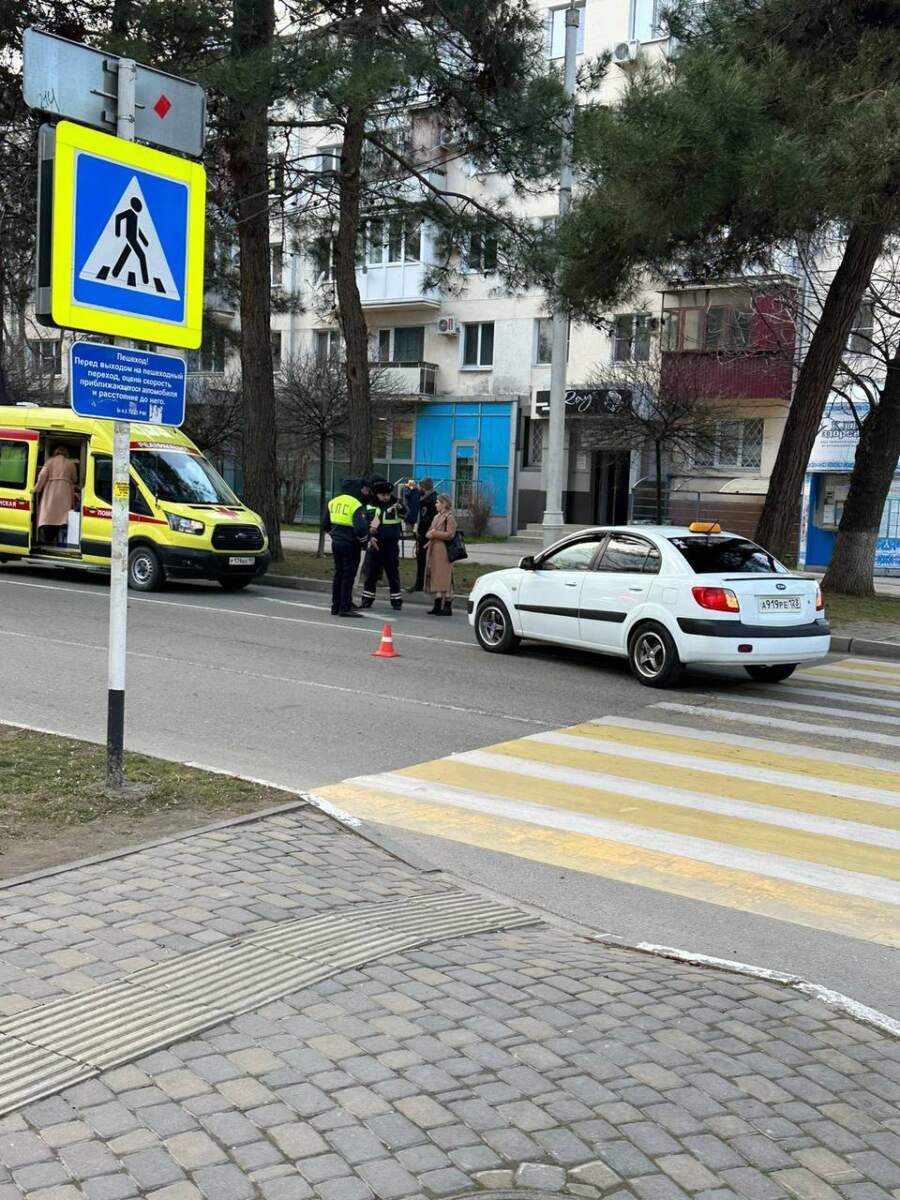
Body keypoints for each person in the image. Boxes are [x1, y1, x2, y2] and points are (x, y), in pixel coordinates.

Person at [322, 478, 369, 617]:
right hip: (351, 544)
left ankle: (335, 606)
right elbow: (360, 528)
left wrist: (334, 535)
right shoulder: (355, 504)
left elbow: (325, 524)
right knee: (348, 576)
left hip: (336, 543)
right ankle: (345, 607)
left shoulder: (333, 502)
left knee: (338, 574)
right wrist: (364, 542)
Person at [361, 480, 404, 610]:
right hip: (375, 544)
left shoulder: (396, 504)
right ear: (376, 494)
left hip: (391, 545)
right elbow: (364, 523)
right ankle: (367, 599)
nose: (386, 497)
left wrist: (402, 508)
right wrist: (369, 531)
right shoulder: (370, 506)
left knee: (393, 573)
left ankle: (396, 600)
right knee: (371, 573)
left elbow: (409, 516)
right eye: (383, 495)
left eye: (388, 494)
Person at [32, 445, 78, 546]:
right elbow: (75, 479)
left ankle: (47, 539)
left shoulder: (49, 462)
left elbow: (42, 477)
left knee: (49, 515)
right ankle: (59, 540)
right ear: (66, 453)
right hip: (65, 492)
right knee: (62, 518)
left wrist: (36, 489)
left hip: (50, 491)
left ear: (55, 452)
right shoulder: (70, 464)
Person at [424, 493, 457, 616]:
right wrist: (431, 533)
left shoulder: (449, 517)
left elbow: (450, 534)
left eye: (438, 502)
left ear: (444, 503)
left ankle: (447, 606)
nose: (435, 504)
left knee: (445, 578)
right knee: (436, 577)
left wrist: (435, 533)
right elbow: (429, 532)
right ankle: (437, 604)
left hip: (444, 551)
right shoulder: (436, 517)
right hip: (434, 550)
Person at [408, 477, 437, 593]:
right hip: (425, 535)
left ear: (424, 487)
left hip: (426, 536)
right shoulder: (428, 499)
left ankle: (421, 584)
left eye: (420, 486)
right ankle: (423, 584)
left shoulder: (429, 502)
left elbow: (425, 519)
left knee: (423, 561)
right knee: (422, 560)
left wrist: (420, 531)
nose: (419, 488)